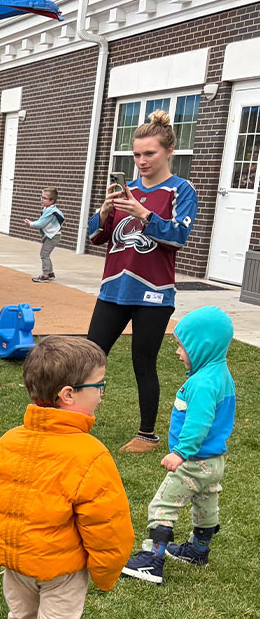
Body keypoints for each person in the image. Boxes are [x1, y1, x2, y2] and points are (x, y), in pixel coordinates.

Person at [0, 336, 133, 619]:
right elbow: (108, 526)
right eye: (99, 385)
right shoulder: (90, 454)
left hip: (15, 560)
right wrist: (105, 571)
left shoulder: (7, 442)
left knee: (21, 613)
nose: (102, 394)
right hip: (61, 569)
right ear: (68, 395)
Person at [86, 110, 199, 454]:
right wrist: (105, 211)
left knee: (143, 362)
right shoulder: (126, 190)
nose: (141, 161)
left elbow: (178, 237)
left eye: (149, 153)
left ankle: (147, 435)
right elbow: (96, 237)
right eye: (136, 154)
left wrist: (144, 214)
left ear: (169, 151)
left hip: (154, 292)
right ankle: (74, 421)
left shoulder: (181, 189)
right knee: (89, 356)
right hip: (113, 288)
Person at [120, 306, 235, 586]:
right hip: (214, 462)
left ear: (202, 347)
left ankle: (152, 561)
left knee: (163, 504)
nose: (178, 352)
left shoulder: (202, 384)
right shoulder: (220, 374)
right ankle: (198, 550)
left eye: (183, 346)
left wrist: (181, 453)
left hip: (194, 461)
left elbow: (199, 423)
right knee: (205, 502)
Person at [26, 187, 65, 283]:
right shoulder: (47, 209)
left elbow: (41, 223)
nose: (41, 199)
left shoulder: (51, 212)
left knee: (44, 254)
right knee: (45, 254)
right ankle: (50, 273)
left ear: (52, 201)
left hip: (53, 236)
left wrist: (31, 224)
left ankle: (46, 274)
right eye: (41, 197)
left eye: (44, 198)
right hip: (50, 235)